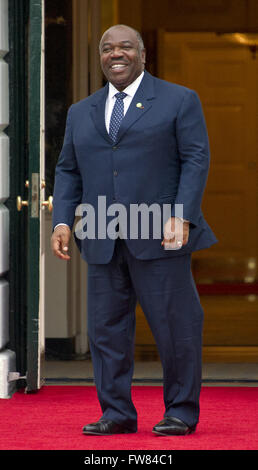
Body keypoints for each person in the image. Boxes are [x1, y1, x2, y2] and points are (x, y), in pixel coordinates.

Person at [51, 24, 217, 436]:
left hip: (161, 235)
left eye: (125, 46)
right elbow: (68, 170)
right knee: (107, 331)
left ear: (143, 54)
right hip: (102, 236)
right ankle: (117, 413)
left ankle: (181, 411)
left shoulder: (179, 100)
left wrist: (183, 215)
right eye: (108, 48)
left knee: (175, 328)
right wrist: (62, 221)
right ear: (101, 57)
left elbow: (196, 160)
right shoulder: (80, 111)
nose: (116, 54)